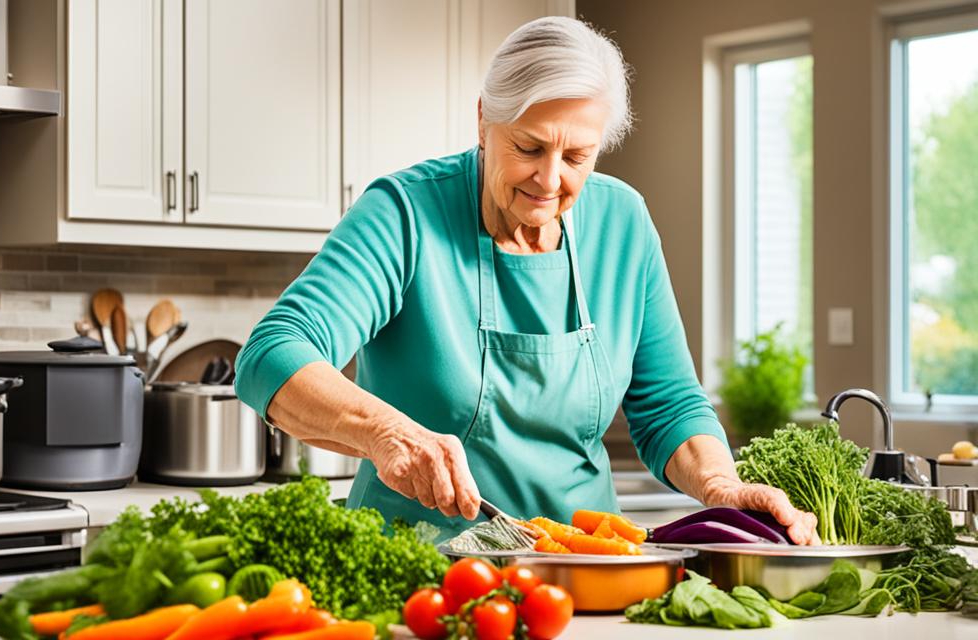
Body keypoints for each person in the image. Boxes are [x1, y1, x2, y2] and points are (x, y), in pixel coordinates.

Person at [235, 16, 820, 544]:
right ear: (485, 118)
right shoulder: (406, 213)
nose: (549, 179)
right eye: (530, 147)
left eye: (577, 157)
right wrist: (387, 432)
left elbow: (669, 405)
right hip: (425, 572)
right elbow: (273, 353)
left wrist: (721, 487)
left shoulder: (624, 223)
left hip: (587, 572)